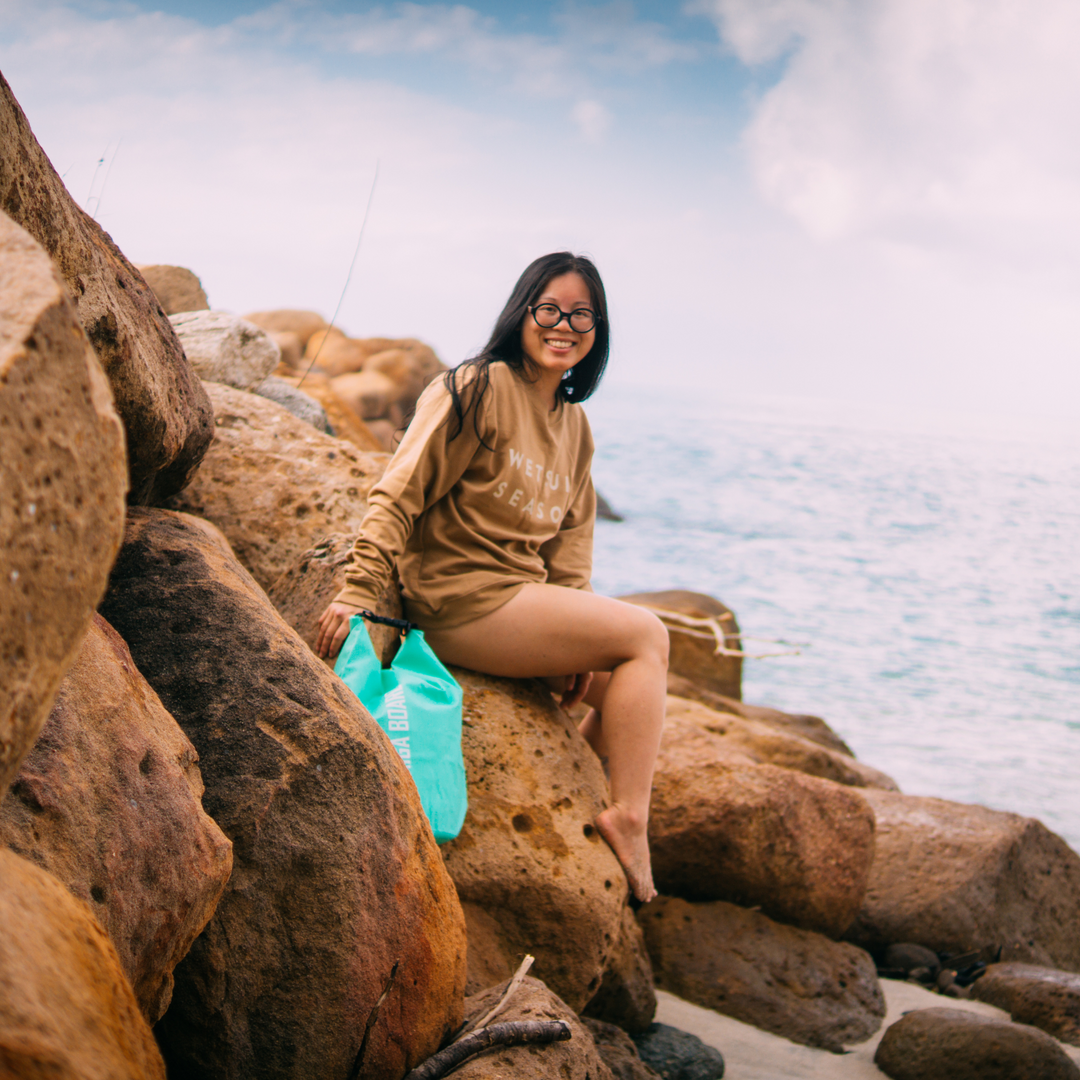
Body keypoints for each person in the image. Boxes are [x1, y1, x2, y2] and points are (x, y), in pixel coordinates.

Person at [315, 251, 667, 902]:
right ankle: (631, 818)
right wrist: (358, 591)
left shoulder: (574, 426)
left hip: (519, 607)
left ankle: (585, 785)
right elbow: (399, 492)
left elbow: (571, 552)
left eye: (582, 315)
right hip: (457, 601)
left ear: (598, 331)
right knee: (648, 635)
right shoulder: (476, 387)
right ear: (522, 313)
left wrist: (578, 645)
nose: (563, 326)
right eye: (549, 309)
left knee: (630, 683)